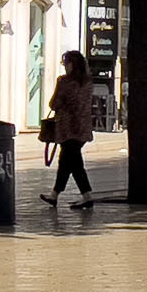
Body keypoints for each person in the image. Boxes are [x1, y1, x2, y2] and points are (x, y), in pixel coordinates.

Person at [41, 50, 96, 209]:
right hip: (82, 128)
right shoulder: (88, 82)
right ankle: (55, 195)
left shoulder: (64, 82)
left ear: (72, 65)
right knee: (67, 162)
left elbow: (54, 103)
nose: (64, 66)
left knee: (74, 164)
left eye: (66, 63)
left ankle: (86, 196)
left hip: (68, 128)